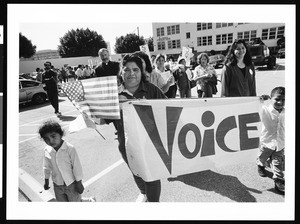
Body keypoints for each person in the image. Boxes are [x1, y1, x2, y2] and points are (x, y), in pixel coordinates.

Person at [104, 54, 167, 202]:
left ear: (142, 72)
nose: (131, 73)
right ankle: (143, 193)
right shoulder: (115, 94)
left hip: (150, 145)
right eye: (127, 70)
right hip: (126, 146)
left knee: (151, 176)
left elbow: (167, 111)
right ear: (121, 72)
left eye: (136, 69)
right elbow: (103, 119)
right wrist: (91, 114)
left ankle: (153, 204)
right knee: (137, 172)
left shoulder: (152, 90)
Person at [39, 120, 85, 202]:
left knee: (75, 202)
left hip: (72, 184)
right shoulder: (47, 150)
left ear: (61, 134)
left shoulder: (69, 148)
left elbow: (76, 167)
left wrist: (79, 182)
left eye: (53, 136)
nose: (50, 141)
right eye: (46, 139)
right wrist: (46, 181)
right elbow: (46, 167)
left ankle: (88, 201)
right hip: (57, 185)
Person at [257, 87, 285, 194]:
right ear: (271, 98)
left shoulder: (286, 112)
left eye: (283, 100)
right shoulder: (266, 110)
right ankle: (260, 165)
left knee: (278, 163)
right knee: (262, 157)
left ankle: (278, 180)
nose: (280, 102)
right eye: (277, 99)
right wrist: (260, 100)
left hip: (280, 144)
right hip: (266, 143)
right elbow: (256, 107)